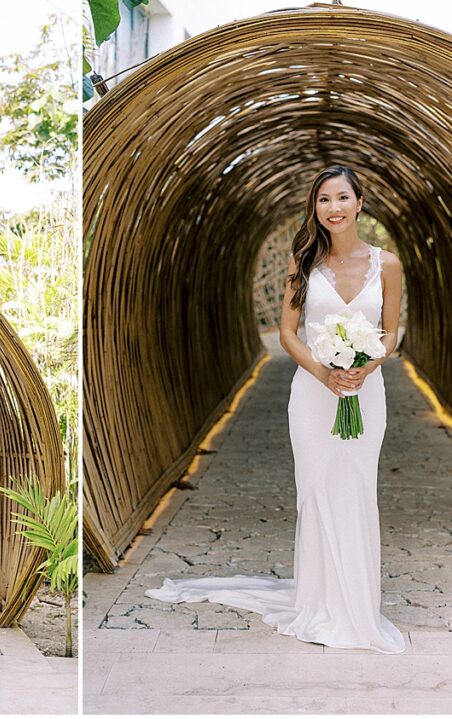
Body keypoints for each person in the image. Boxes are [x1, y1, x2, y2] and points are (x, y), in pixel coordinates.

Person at [145, 164, 406, 653]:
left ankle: (357, 607)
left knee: (356, 488)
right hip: (312, 392)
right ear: (315, 208)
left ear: (359, 203)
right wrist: (325, 373)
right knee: (318, 491)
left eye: (342, 197)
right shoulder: (301, 264)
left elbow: (390, 332)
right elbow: (287, 333)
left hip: (365, 394)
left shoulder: (386, 264)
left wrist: (364, 368)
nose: (334, 208)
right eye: (324, 199)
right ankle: (319, 603)